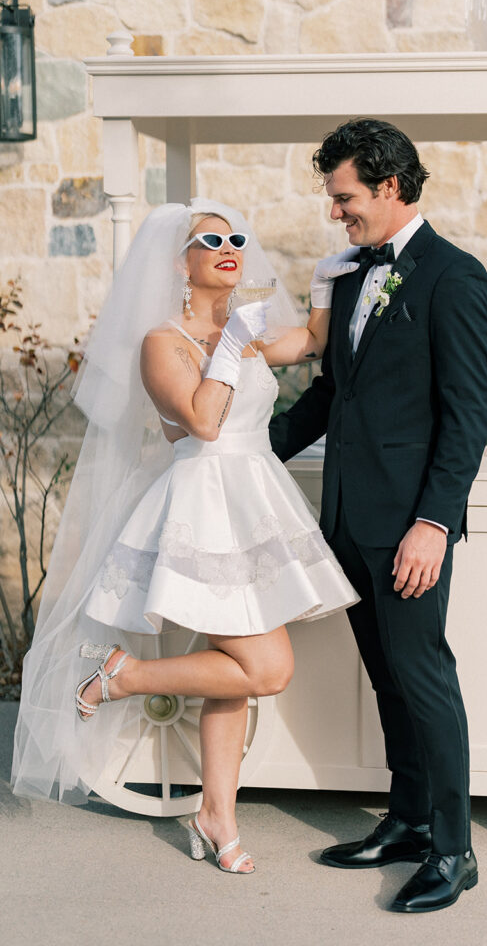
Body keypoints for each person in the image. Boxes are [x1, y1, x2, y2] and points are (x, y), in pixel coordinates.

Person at [11, 199, 358, 873]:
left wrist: (322, 285)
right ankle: (120, 677)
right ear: (181, 262)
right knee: (269, 667)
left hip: (254, 503)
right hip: (203, 506)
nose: (230, 247)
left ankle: (215, 814)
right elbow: (201, 420)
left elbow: (308, 342)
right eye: (211, 240)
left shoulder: (246, 327)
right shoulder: (160, 343)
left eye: (236, 238)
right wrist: (231, 345)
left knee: (235, 674)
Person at [269, 119, 487, 913]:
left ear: (390, 186)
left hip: (408, 530)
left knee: (426, 679)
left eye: (346, 197)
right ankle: (405, 822)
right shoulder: (356, 275)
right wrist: (250, 448)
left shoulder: (453, 278)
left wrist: (433, 524)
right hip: (350, 523)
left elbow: (468, 416)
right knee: (390, 680)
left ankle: (454, 849)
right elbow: (335, 393)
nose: (337, 213)